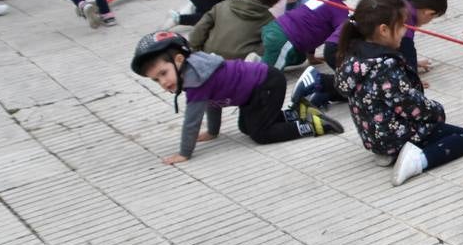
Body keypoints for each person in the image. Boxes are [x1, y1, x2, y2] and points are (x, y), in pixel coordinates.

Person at [130, 31, 342, 166]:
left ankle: (312, 125)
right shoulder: (195, 73)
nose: (163, 83)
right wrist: (213, 132)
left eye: (163, 73)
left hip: (266, 85)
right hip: (257, 90)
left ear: (178, 60)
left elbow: (191, 121)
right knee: (246, 127)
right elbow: (213, 103)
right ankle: (296, 113)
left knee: (261, 134)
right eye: (156, 80)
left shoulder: (195, 80)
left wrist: (184, 153)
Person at [334, 0, 463, 186]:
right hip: (394, 136)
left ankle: (388, 153)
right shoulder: (385, 67)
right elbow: (412, 106)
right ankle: (416, 161)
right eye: (401, 26)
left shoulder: (353, 55)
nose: (404, 30)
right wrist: (438, 111)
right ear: (383, 30)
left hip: (373, 137)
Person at [264, 0, 359, 71]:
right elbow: (342, 36)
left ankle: (264, 58)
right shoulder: (339, 10)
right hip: (285, 39)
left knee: (299, 57)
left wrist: (311, 57)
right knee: (269, 74)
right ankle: (257, 66)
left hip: (276, 28)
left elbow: (312, 26)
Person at [188, 0, 279, 60]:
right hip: (240, 63)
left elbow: (199, 29)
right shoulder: (270, 21)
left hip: (209, 55)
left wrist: (195, 51)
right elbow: (269, 46)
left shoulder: (222, 5)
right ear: (273, 3)